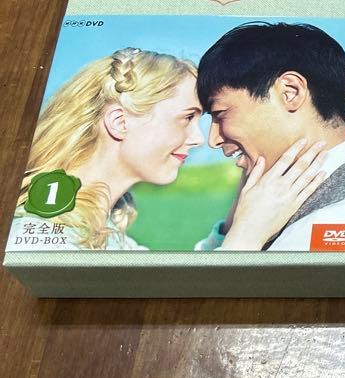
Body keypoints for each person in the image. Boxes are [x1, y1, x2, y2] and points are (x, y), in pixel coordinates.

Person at [9, 48, 206, 250]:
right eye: (188, 117)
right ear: (119, 122)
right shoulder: (41, 239)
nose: (199, 139)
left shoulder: (109, 235)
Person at [195, 22, 345, 252]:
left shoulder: (344, 214)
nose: (213, 139)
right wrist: (235, 225)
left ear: (290, 92)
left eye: (220, 113)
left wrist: (245, 238)